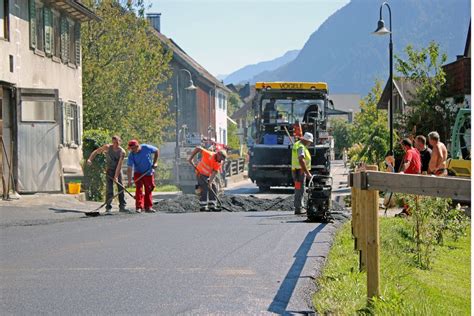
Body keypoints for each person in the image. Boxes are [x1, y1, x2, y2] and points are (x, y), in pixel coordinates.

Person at [87, 135, 129, 214]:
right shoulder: (107, 147)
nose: (115, 144)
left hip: (118, 170)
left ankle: (122, 206)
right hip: (109, 170)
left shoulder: (122, 152)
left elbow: (119, 165)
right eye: (114, 143)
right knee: (109, 189)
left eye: (117, 143)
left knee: (121, 188)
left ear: (120, 142)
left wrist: (116, 176)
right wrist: (90, 159)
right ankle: (108, 207)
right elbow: (96, 152)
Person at [188, 147, 227, 212]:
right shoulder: (209, 154)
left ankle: (212, 205)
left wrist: (210, 182)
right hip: (200, 173)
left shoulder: (219, 162)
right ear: (218, 154)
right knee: (204, 186)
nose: (221, 160)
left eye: (223, 159)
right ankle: (203, 206)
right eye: (221, 158)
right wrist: (190, 158)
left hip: (208, 175)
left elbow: (214, 172)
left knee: (213, 186)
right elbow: (198, 148)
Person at [126, 140, 159, 213]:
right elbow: (129, 168)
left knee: (149, 189)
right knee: (139, 189)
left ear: (137, 146)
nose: (132, 150)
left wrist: (155, 162)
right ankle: (139, 207)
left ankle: (148, 207)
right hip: (138, 173)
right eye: (131, 149)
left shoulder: (146, 148)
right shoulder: (131, 155)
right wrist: (129, 181)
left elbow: (156, 151)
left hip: (148, 172)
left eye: (133, 148)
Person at [291, 132, 313, 215]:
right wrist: (307, 173)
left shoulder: (297, 144)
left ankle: (298, 207)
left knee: (298, 189)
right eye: (309, 142)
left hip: (296, 171)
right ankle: (299, 208)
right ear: (306, 140)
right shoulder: (301, 147)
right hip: (299, 172)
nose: (310, 143)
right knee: (301, 189)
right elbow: (301, 160)